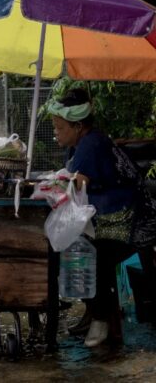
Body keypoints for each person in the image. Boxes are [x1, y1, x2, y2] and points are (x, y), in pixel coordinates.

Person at [50, 87, 156, 347]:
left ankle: (101, 319)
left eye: (59, 127)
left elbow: (78, 183)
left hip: (133, 220)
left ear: (77, 126)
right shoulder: (82, 144)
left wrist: (55, 184)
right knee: (81, 249)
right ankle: (93, 313)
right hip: (115, 216)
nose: (56, 132)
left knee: (92, 254)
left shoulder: (92, 144)